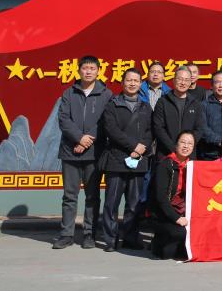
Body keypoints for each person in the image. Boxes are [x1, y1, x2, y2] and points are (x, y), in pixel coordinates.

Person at [53, 55, 113, 250]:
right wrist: (79, 138)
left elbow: (106, 122)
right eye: (85, 68)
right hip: (70, 151)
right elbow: (63, 119)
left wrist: (87, 141)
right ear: (78, 70)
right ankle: (66, 234)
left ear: (98, 71)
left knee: (92, 196)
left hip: (94, 153)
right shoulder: (69, 93)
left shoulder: (106, 94)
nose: (88, 72)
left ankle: (89, 234)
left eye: (92, 68)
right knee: (69, 196)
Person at [99, 68, 153, 251]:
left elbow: (150, 132)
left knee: (134, 204)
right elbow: (112, 130)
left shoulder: (146, 107)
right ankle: (111, 240)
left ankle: (130, 238)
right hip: (117, 160)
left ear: (140, 84)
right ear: (122, 83)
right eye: (129, 80)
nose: (132, 83)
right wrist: (133, 147)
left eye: (136, 81)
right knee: (111, 203)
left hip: (138, 162)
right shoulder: (112, 105)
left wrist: (142, 148)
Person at [150, 132, 194, 260]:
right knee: (178, 237)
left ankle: (179, 247)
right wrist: (177, 218)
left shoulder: (193, 166)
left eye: (190, 143)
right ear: (176, 145)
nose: (186, 146)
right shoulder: (165, 165)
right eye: (183, 142)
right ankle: (158, 243)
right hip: (163, 213)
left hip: (183, 211)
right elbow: (161, 198)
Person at [152, 67, 206, 159]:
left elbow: (199, 128)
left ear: (190, 82)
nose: (183, 83)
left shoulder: (196, 104)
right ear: (173, 80)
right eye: (180, 79)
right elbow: (158, 128)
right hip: (166, 154)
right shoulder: (163, 102)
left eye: (186, 80)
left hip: (188, 154)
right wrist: (174, 148)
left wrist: (187, 146)